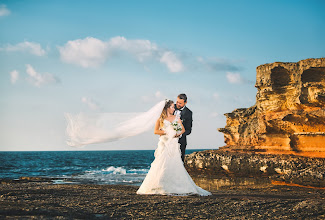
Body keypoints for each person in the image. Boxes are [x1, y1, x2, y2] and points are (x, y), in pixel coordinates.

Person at [136, 100, 211, 196]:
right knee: (161, 163)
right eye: (172, 107)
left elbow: (182, 129)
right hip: (164, 143)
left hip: (173, 143)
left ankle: (177, 186)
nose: (174, 108)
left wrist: (176, 134)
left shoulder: (176, 117)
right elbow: (156, 131)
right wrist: (168, 131)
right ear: (167, 108)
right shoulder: (160, 119)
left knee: (175, 164)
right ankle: (160, 185)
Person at [174, 94, 192, 162]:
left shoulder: (189, 113)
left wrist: (180, 134)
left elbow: (189, 130)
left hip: (181, 142)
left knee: (179, 162)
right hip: (169, 140)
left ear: (185, 102)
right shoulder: (171, 107)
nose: (178, 104)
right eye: (177, 102)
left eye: (180, 103)